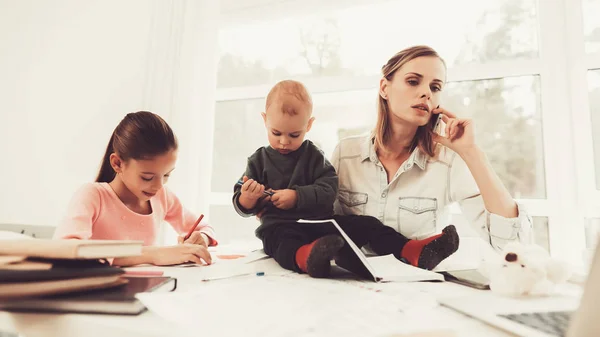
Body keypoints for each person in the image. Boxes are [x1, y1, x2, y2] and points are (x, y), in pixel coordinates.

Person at [232, 80, 459, 279]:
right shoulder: (258, 160)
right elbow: (242, 204)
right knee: (281, 242)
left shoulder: (313, 156)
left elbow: (329, 189)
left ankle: (412, 250)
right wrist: (247, 198)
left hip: (320, 227)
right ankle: (306, 258)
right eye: (276, 133)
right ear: (265, 121)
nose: (284, 141)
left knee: (367, 225)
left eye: (294, 135)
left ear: (308, 125)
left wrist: (297, 197)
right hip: (279, 227)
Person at [331, 45, 533, 252]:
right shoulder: (345, 154)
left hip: (418, 282)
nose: (426, 93)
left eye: (435, 87)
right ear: (384, 88)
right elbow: (324, 228)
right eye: (413, 81)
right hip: (351, 281)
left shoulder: (448, 161)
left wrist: (471, 153)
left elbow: (511, 243)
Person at [54, 111, 216, 266]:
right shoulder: (93, 195)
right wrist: (154, 254)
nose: (159, 186)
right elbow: (66, 249)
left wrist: (202, 238)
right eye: (147, 177)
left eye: (167, 175)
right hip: (97, 291)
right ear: (117, 163)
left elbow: (205, 228)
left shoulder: (162, 197)